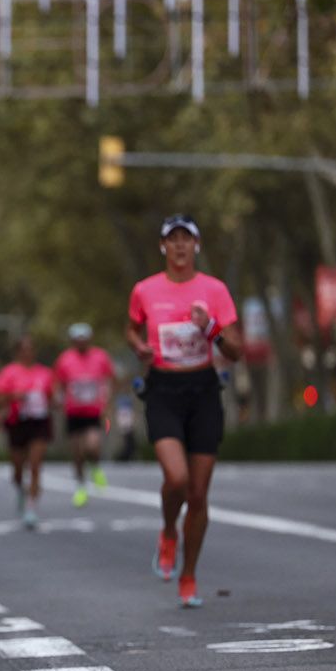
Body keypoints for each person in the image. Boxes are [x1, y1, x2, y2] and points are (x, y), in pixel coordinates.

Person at [126, 214, 243, 609]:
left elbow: (237, 350)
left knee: (198, 493)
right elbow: (131, 328)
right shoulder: (145, 290)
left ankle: (189, 574)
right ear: (163, 246)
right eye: (172, 239)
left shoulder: (214, 290)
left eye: (186, 239)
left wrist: (210, 328)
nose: (179, 246)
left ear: (197, 245)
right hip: (163, 389)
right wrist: (139, 347)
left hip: (204, 389)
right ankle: (167, 533)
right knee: (175, 478)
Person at [0, 335, 54, 530]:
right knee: (18, 470)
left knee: (35, 465)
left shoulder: (45, 373)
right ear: (18, 352)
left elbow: (53, 397)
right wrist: (15, 396)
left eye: (31, 348)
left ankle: (31, 508)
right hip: (17, 422)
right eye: (24, 349)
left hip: (39, 422)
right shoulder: (9, 372)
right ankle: (21, 489)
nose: (28, 352)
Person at [53, 323, 116, 507]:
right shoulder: (65, 359)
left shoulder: (100, 357)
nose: (81, 342)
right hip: (73, 412)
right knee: (78, 453)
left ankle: (95, 466)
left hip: (93, 411)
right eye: (77, 339)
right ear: (73, 341)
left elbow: (109, 380)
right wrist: (57, 398)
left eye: (84, 339)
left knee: (93, 445)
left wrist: (107, 402)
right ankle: (81, 486)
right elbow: (58, 383)